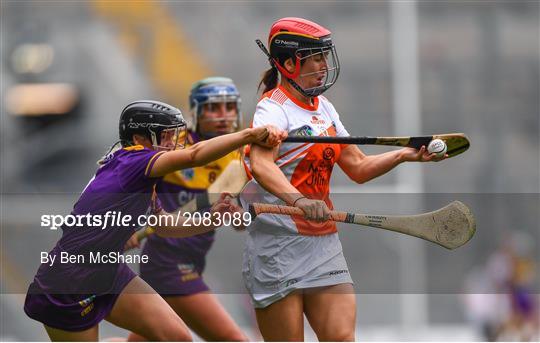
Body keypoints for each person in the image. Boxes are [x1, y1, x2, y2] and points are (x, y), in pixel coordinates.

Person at [240, 17, 446, 341]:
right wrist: (300, 200)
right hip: (277, 247)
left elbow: (358, 167)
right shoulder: (273, 110)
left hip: (323, 245)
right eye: (316, 57)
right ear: (291, 63)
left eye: (325, 56)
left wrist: (405, 154)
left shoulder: (324, 108)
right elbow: (261, 165)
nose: (324, 65)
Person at [23, 100, 285, 341]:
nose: (172, 143)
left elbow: (164, 225)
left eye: (173, 135)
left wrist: (212, 219)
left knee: (177, 337)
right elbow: (195, 155)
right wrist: (248, 135)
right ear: (138, 138)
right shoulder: (134, 160)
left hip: (109, 271)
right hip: (70, 282)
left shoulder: (140, 175)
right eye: (165, 136)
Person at [126, 78, 248, 341]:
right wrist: (126, 228)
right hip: (169, 262)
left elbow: (233, 214)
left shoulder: (237, 156)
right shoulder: (172, 143)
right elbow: (132, 183)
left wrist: (237, 216)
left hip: (194, 259)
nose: (223, 116)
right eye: (214, 108)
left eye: (229, 107)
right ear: (196, 110)